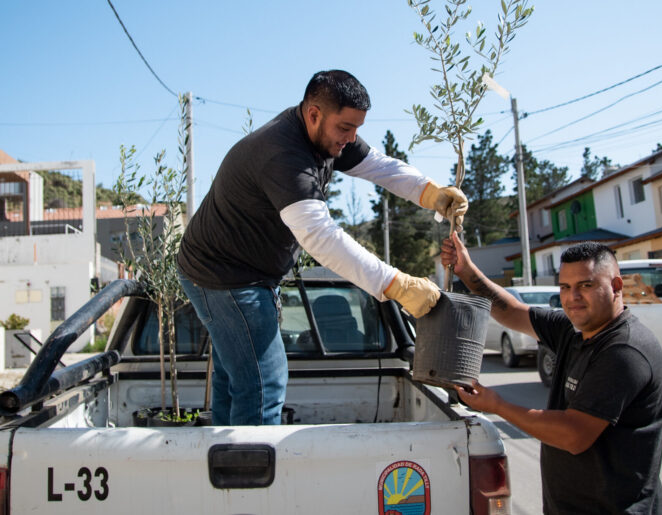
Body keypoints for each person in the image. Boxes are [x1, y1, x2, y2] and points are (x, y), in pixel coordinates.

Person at [177, 70, 467, 426]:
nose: (351, 138)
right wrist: (397, 285)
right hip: (223, 277)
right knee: (263, 384)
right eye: (345, 128)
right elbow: (321, 239)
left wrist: (430, 192)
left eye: (356, 128)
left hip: (238, 272)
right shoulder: (284, 156)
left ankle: (223, 467)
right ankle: (250, 477)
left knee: (234, 380)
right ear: (314, 114)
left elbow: (378, 165)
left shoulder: (325, 135)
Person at [441, 233, 662, 514]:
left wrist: (497, 405)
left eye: (585, 285)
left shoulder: (624, 351)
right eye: (565, 286)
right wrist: (468, 271)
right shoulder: (573, 330)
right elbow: (512, 312)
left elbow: (573, 435)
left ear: (616, 286)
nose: (572, 297)